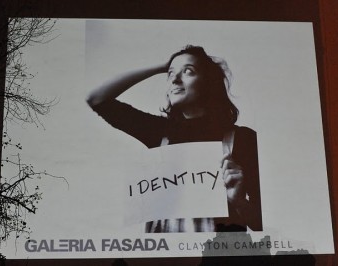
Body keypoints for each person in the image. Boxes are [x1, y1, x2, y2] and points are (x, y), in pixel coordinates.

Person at [86, 45, 262, 232]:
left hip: (218, 257)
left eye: (188, 71)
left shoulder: (243, 139)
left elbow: (260, 223)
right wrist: (161, 67)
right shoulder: (158, 131)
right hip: (166, 257)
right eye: (170, 74)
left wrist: (239, 201)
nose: (175, 79)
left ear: (209, 83)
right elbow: (97, 99)